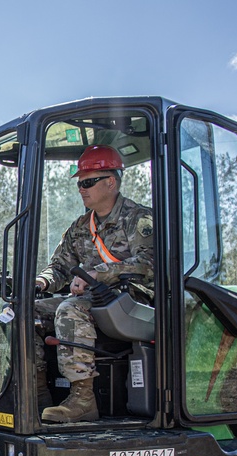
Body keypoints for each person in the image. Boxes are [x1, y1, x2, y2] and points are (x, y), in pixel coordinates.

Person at [34, 145, 154, 423]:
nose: (81, 189)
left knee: (70, 309)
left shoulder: (138, 219)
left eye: (88, 182)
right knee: (31, 312)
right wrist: (42, 281)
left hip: (133, 301)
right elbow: (60, 266)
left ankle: (83, 399)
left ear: (111, 182)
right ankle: (39, 395)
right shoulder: (80, 226)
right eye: (79, 183)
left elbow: (150, 263)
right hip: (94, 300)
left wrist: (100, 274)